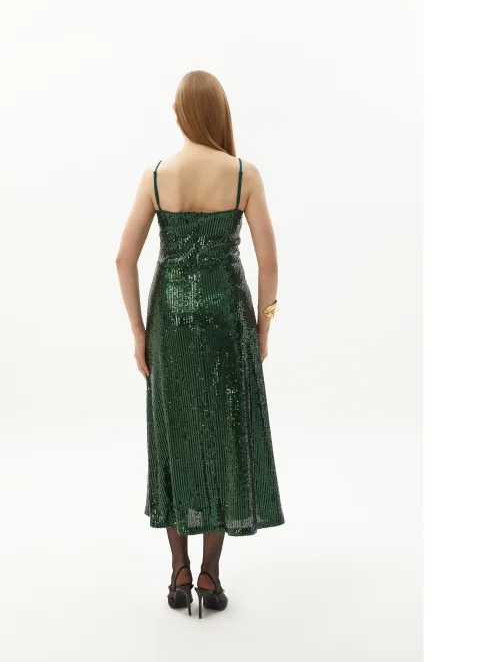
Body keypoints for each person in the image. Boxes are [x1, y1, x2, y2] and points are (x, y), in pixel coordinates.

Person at [116, 70, 284, 618]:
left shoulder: (157, 176)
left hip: (170, 321)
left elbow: (123, 259)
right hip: (226, 320)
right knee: (224, 436)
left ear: (180, 113)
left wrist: (139, 333)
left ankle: (179, 572)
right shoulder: (243, 174)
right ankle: (211, 574)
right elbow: (268, 262)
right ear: (219, 112)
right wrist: (264, 327)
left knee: (176, 436)